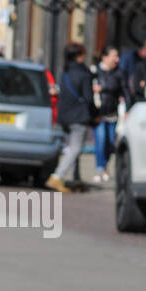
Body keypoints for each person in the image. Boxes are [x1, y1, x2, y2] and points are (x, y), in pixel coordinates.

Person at [47, 42, 95, 194]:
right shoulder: (84, 73)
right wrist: (95, 113)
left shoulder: (65, 72)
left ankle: (76, 179)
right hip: (79, 115)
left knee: (72, 147)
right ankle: (57, 176)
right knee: (75, 148)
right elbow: (89, 97)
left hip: (65, 115)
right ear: (79, 56)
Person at [92, 46, 123, 184]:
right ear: (104, 57)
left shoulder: (118, 72)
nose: (116, 59)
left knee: (110, 142)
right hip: (98, 113)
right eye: (113, 56)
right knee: (100, 141)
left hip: (112, 112)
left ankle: (104, 165)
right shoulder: (94, 71)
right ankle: (100, 168)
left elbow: (122, 88)